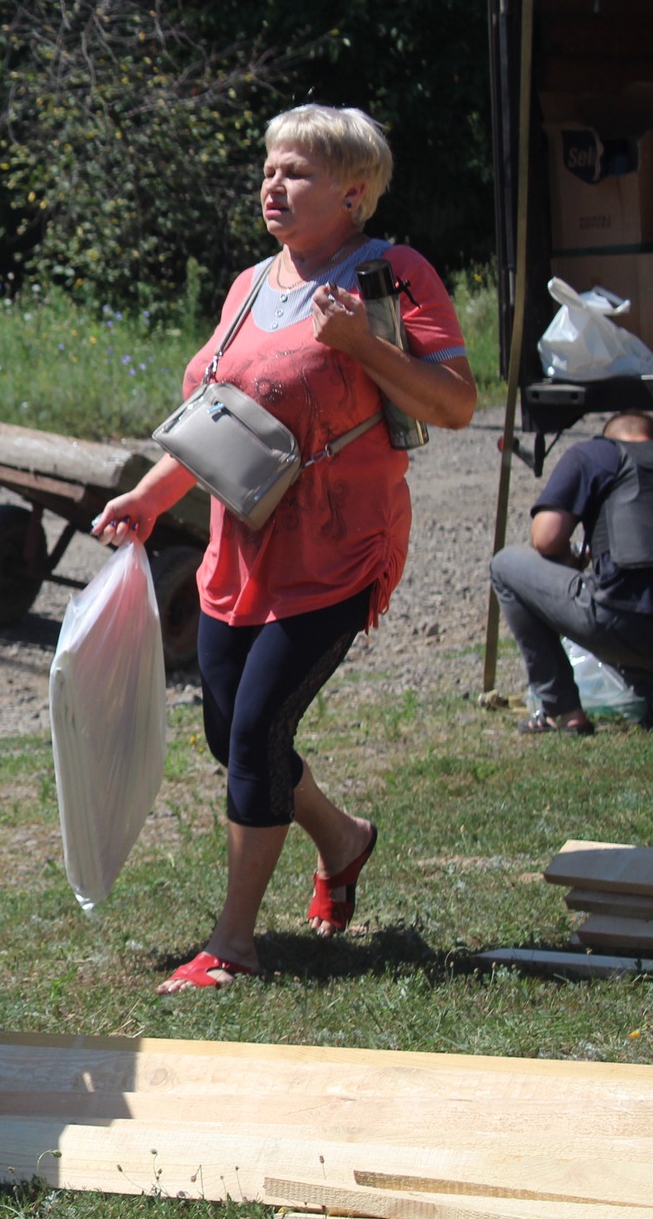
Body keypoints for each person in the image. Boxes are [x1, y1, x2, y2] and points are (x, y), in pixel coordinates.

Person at [94, 104, 476, 994]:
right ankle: (343, 840)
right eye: (269, 166)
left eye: (296, 171)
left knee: (261, 726)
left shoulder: (393, 275)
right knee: (232, 734)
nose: (273, 183)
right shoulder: (248, 284)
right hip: (242, 549)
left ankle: (232, 944)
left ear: (353, 190)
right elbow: (218, 422)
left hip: (341, 548)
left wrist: (360, 344)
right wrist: (151, 501)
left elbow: (454, 405)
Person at [491, 411, 653, 733]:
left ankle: (562, 711)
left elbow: (546, 538)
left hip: (622, 619)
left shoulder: (597, 453)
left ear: (610, 436)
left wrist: (572, 559)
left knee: (506, 565)